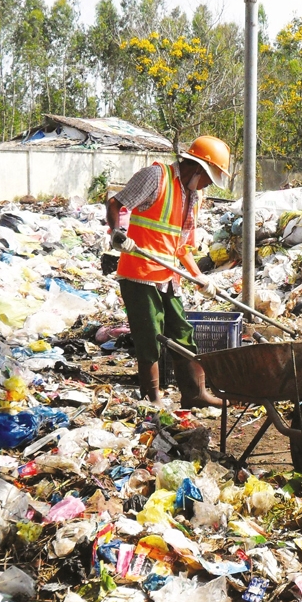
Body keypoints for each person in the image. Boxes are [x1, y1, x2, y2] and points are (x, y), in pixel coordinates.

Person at [106, 135, 231, 409]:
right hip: (139, 273)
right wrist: (118, 233)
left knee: (182, 331)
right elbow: (116, 204)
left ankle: (194, 394)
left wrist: (200, 277)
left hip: (168, 277)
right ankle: (153, 398)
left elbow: (183, 246)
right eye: (210, 178)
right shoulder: (156, 177)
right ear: (198, 168)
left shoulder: (193, 197)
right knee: (149, 336)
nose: (209, 185)